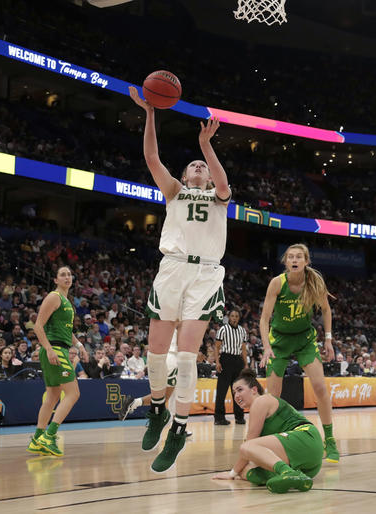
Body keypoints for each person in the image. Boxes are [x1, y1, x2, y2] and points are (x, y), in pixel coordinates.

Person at [129, 86, 230, 473]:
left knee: (187, 356)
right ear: (185, 176)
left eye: (201, 165)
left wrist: (206, 146)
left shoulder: (219, 196)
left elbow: (222, 182)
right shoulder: (174, 192)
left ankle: (179, 429)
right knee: (156, 353)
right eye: (193, 165)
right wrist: (151, 113)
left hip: (205, 273)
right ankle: (157, 411)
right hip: (171, 268)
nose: (199, 167)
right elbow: (152, 157)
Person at [259, 243, 339, 463]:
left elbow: (326, 309)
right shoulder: (277, 283)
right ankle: (269, 443)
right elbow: (264, 319)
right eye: (290, 257)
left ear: (306, 261)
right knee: (273, 397)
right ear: (285, 262)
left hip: (304, 339)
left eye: (299, 257)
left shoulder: (314, 282)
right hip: (279, 341)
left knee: (320, 387)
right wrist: (266, 347)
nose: (294, 260)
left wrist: (329, 340)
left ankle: (330, 440)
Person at [212, 369, 322, 493]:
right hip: (309, 465)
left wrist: (232, 473)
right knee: (246, 470)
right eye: (234, 392)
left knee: (246, 448)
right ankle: (294, 477)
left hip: (305, 437)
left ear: (254, 390)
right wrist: (240, 470)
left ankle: (287, 472)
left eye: (240, 390)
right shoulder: (259, 408)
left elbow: (248, 448)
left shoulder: (261, 401)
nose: (236, 395)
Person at [27, 266, 88, 457]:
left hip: (59, 347)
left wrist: (79, 345)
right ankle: (50, 435)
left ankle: (37, 438)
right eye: (63, 274)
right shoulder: (54, 297)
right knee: (73, 393)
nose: (67, 277)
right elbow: (38, 326)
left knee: (53, 396)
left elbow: (66, 332)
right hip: (54, 349)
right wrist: (49, 349)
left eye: (69, 274)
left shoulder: (67, 302)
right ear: (55, 280)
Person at [117, 331, 192, 437]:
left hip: (160, 357)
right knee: (165, 397)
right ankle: (134, 403)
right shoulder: (183, 320)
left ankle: (177, 428)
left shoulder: (166, 321)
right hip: (173, 358)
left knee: (173, 396)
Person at [214, 309, 249, 425]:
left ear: (239, 318)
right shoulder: (223, 329)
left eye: (236, 316)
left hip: (238, 361)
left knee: (238, 391)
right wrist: (217, 362)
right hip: (225, 360)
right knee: (222, 391)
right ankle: (219, 418)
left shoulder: (242, 330)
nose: (234, 318)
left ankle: (239, 417)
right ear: (229, 317)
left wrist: (246, 364)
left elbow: (243, 349)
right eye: (232, 316)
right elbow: (217, 347)